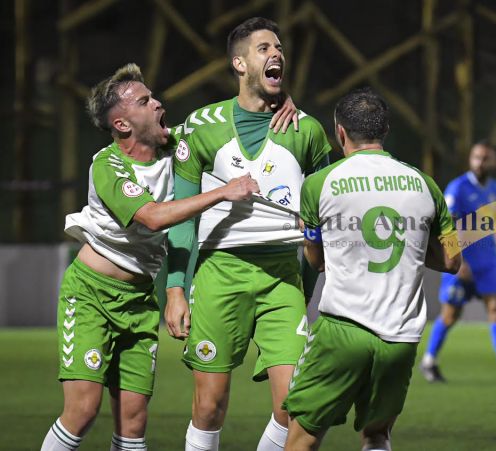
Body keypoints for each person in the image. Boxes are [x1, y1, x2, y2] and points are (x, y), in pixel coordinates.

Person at [41, 63, 260, 451]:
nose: (158, 103)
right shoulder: (107, 165)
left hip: (140, 300)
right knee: (83, 410)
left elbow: (224, 123)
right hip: (90, 295)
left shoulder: (175, 147)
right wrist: (224, 191)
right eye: (145, 101)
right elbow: (153, 217)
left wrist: (277, 103)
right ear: (123, 124)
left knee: (134, 422)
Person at [164, 17, 331, 451]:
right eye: (263, 48)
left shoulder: (307, 131)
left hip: (282, 277)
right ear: (239, 63)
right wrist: (176, 289)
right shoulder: (201, 126)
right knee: (210, 406)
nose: (276, 54)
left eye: (279, 48)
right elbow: (182, 218)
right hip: (220, 272)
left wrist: (309, 286)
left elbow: (321, 221)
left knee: (294, 407)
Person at [282, 87, 460, 451]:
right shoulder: (425, 185)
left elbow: (317, 262)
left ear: (341, 133)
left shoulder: (318, 184)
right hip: (400, 338)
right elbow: (453, 261)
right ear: (385, 130)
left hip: (342, 331)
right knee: (377, 435)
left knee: (301, 438)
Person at [418, 140, 496, 384]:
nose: (480, 162)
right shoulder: (457, 188)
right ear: (470, 160)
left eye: (485, 158)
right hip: (462, 264)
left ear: (494, 162)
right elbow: (447, 226)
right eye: (476, 157)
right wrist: (458, 261)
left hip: (488, 264)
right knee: (449, 316)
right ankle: (429, 361)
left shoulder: (495, 188)